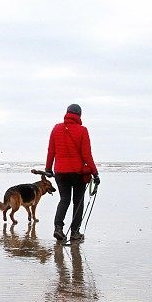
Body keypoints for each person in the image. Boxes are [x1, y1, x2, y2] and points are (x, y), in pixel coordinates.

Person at [44, 103, 99, 242]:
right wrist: (95, 173)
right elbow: (87, 155)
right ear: (79, 115)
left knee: (64, 200)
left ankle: (58, 228)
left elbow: (51, 151)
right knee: (78, 202)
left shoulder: (56, 129)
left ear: (67, 113)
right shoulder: (82, 130)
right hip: (78, 173)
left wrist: (48, 169)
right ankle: (75, 233)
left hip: (60, 172)